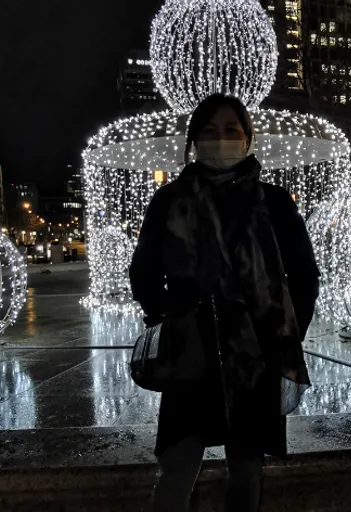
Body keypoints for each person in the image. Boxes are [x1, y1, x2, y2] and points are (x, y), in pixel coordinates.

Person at [129, 94, 319, 512]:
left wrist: (285, 334)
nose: (221, 139)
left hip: (255, 356)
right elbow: (142, 270)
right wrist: (167, 316)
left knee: (246, 469)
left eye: (231, 130)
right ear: (194, 140)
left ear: (248, 138)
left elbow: (304, 275)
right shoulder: (170, 200)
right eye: (209, 131)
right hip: (191, 353)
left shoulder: (274, 202)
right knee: (177, 464)